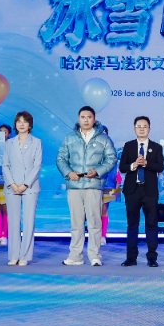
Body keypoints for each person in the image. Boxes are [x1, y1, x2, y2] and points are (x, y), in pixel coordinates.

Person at [56, 106, 117, 267]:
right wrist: (69, 173)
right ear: (78, 119)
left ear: (94, 119)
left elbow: (111, 159)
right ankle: (75, 256)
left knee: (94, 222)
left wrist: (97, 171)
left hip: (93, 185)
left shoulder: (104, 139)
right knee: (76, 223)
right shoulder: (69, 138)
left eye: (89, 117)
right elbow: (61, 159)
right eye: (83, 117)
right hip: (74, 185)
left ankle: (95, 255)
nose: (86, 120)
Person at [119, 116, 164, 267]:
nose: (142, 129)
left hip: (149, 191)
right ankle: (131, 258)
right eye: (139, 126)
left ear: (149, 129)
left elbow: (160, 167)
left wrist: (146, 163)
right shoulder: (129, 146)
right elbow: (122, 167)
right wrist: (134, 165)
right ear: (134, 129)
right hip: (132, 190)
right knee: (132, 225)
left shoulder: (156, 147)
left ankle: (152, 257)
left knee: (151, 224)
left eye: (145, 126)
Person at [3, 112, 42, 266]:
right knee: (13, 222)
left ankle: (24, 255)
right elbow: (5, 165)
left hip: (30, 187)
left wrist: (25, 184)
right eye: (19, 121)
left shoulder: (37, 142)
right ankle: (14, 255)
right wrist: (13, 184)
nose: (21, 124)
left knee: (28, 221)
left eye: (25, 121)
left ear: (30, 125)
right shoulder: (9, 143)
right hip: (12, 187)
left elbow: (37, 165)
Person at [99, 125, 120, 246]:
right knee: (94, 209)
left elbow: (115, 166)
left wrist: (117, 178)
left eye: (104, 133)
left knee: (104, 208)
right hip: (94, 182)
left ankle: (102, 235)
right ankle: (95, 234)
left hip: (108, 183)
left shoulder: (112, 150)